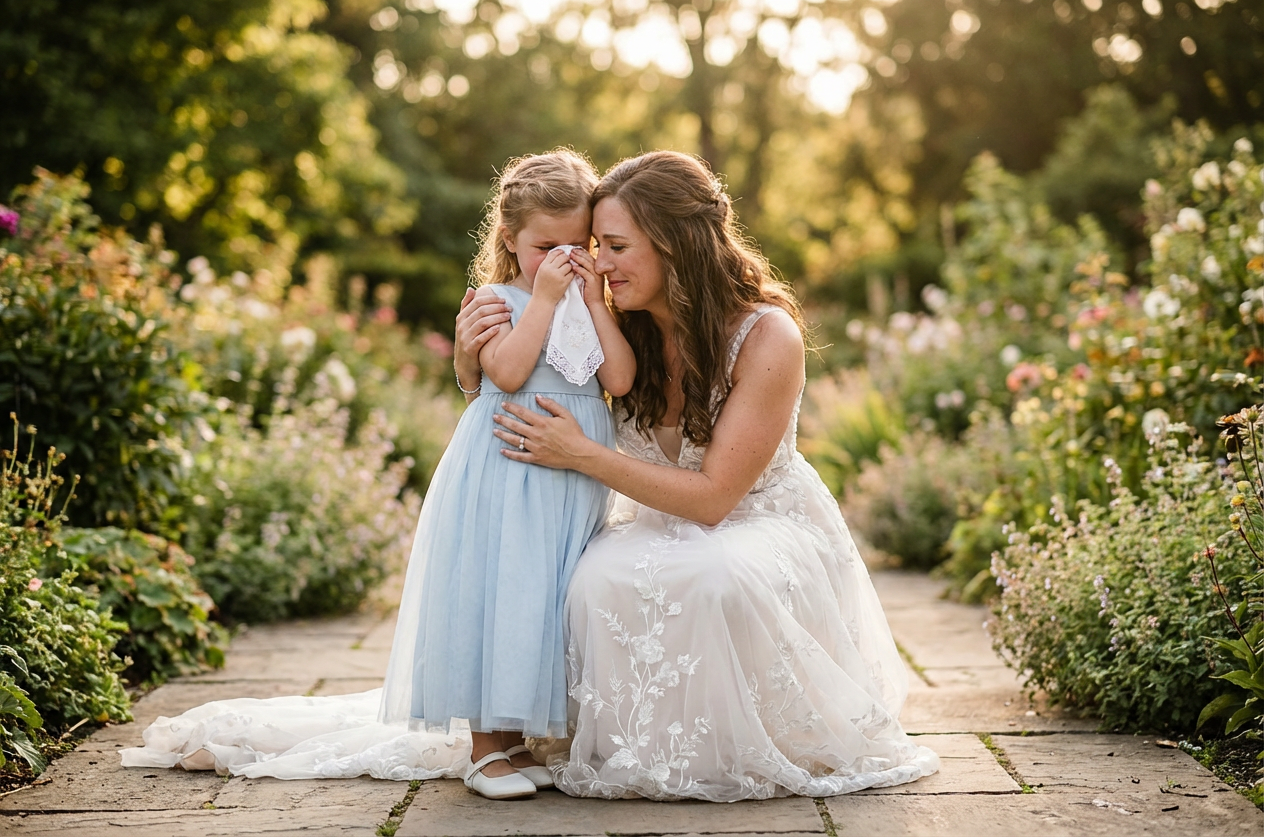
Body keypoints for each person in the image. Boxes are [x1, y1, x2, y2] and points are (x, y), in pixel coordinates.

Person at [120, 149, 636, 802]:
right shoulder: (498, 301)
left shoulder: (586, 303)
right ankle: (484, 750)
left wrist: (591, 301)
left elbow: (620, 379)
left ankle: (515, 741)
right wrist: (547, 297)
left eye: (576, 247)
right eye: (545, 247)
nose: (562, 260)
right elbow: (505, 373)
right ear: (509, 240)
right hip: (509, 474)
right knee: (499, 593)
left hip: (567, 484)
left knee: (539, 601)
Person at [478, 151, 940, 801]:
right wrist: (470, 359)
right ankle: (632, 744)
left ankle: (727, 746)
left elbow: (716, 498)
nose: (599, 264)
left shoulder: (766, 336)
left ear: (675, 244)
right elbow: (520, 373)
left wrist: (582, 455)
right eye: (596, 246)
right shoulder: (619, 326)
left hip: (755, 520)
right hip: (655, 518)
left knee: (718, 574)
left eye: (616, 247)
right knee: (591, 581)